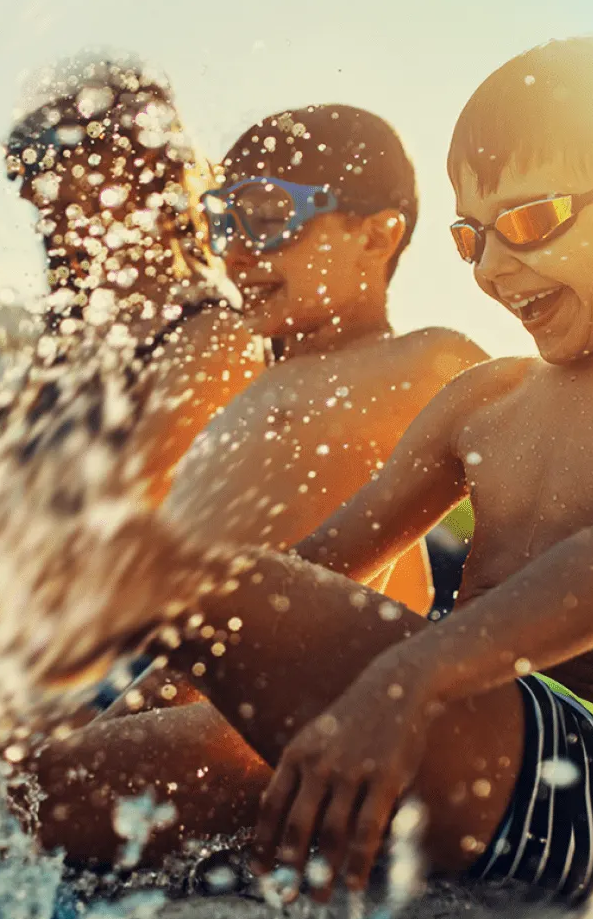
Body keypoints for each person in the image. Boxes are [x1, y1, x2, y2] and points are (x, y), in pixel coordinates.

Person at [24, 36, 593, 903]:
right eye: (471, 237)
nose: (493, 268)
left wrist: (406, 678)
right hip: (439, 737)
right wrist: (120, 721)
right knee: (38, 793)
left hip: (573, 774)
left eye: (529, 220)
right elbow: (315, 570)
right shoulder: (488, 400)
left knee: (179, 570)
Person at [160, 104, 486, 615]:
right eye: (223, 223)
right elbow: (394, 571)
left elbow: (553, 457)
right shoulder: (260, 382)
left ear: (376, 237)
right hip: (175, 672)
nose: (234, 253)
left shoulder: (417, 363)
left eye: (267, 218)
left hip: (232, 677)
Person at [5, 55, 258, 502]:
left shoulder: (212, 338)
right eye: (20, 160)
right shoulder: (75, 336)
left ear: (136, 151)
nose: (29, 188)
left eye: (49, 146)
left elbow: (131, 529)